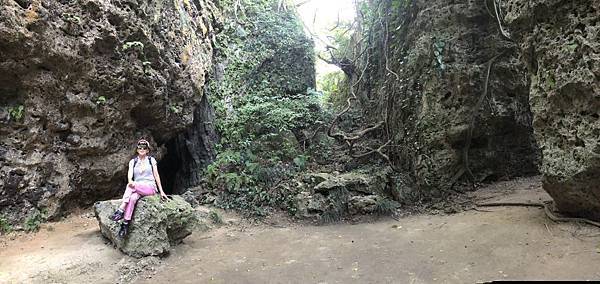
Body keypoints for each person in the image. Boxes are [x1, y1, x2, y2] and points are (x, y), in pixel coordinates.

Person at [110, 139, 168, 238]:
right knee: (132, 198)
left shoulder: (151, 160)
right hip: (137, 188)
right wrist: (131, 182)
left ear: (147, 150)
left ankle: (121, 209)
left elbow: (156, 175)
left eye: (144, 148)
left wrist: (162, 191)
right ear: (137, 149)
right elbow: (129, 176)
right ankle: (125, 224)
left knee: (130, 186)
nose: (142, 149)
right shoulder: (133, 161)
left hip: (150, 187)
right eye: (140, 147)